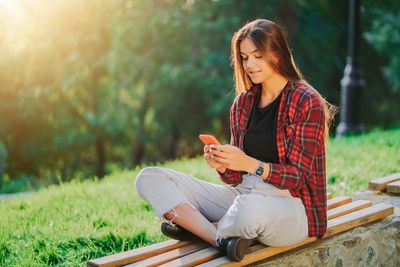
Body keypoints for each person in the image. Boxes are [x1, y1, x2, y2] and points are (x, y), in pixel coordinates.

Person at [135, 18, 336, 262]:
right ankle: (219, 240)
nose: (249, 64)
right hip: (243, 195)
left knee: (248, 212)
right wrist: (224, 166)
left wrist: (250, 164)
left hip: (292, 206)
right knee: (149, 177)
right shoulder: (243, 103)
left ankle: (194, 227)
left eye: (257, 55)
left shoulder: (306, 101)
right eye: (244, 57)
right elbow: (236, 178)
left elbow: (299, 176)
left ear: (278, 53)